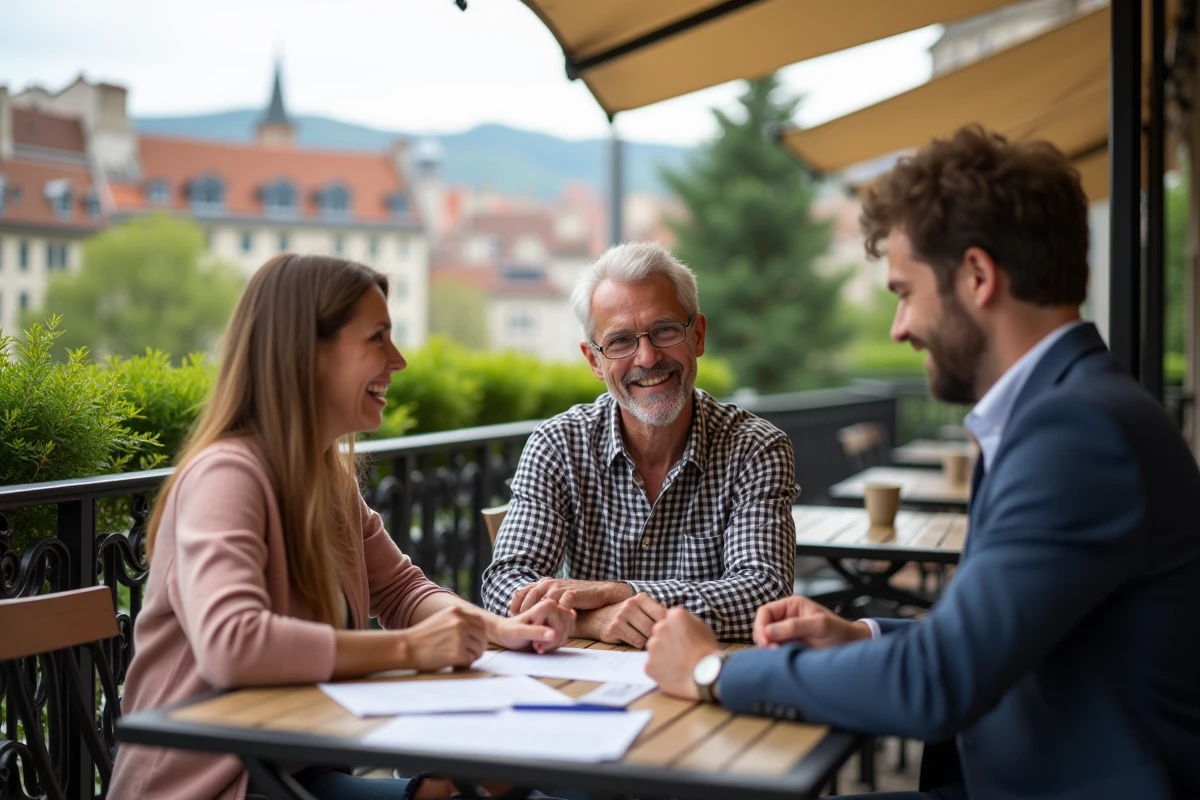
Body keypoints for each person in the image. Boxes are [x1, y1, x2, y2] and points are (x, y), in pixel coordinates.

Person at [644, 126, 1200, 799]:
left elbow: (940, 681)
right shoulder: (1076, 409)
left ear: (978, 276)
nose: (899, 328)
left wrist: (712, 672)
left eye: (905, 292)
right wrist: (861, 636)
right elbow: (994, 637)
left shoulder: (1075, 432)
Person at [110, 254, 575, 800]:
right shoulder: (226, 475)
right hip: (217, 786)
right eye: (377, 338)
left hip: (297, 770)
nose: (398, 360)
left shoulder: (326, 477)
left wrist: (502, 630)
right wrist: (410, 649)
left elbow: (401, 589)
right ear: (307, 353)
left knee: (503, 784)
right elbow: (232, 644)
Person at [481, 242, 798, 646]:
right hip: (582, 679)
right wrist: (593, 621)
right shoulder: (558, 445)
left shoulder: (756, 448)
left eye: (665, 330)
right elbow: (503, 587)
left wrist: (620, 593)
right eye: (619, 341)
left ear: (698, 335)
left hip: (707, 674)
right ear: (594, 361)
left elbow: (765, 593)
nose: (647, 357)